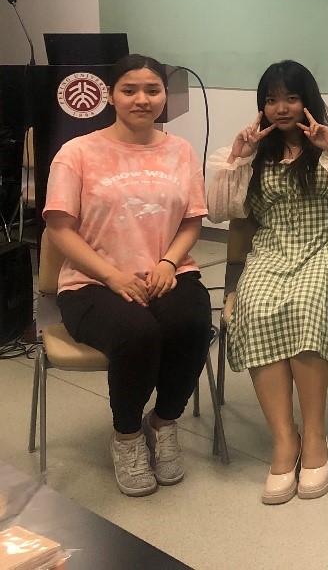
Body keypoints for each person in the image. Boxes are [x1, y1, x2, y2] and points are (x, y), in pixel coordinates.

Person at [207, 60, 328, 504]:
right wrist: (237, 157)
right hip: (273, 248)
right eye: (271, 100)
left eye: (290, 98)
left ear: (308, 100)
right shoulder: (254, 150)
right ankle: (285, 439)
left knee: (308, 301)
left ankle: (316, 436)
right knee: (254, 305)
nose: (281, 108)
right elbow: (221, 211)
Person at [43, 54, 211, 498]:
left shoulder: (180, 151)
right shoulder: (77, 153)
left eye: (152, 90)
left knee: (192, 323)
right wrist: (113, 277)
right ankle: (127, 436)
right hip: (92, 282)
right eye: (129, 90)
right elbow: (59, 227)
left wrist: (168, 263)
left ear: (165, 96)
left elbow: (192, 221)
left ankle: (164, 422)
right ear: (110, 95)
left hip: (165, 271)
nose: (142, 99)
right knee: (138, 333)